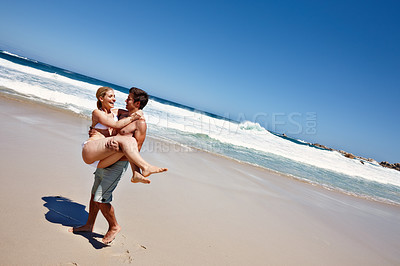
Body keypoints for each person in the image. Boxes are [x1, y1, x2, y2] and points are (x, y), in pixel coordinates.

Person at [71, 87, 157, 244]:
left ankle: (114, 226)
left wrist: (135, 171)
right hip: (106, 157)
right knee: (93, 195)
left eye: (129, 99)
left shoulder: (140, 124)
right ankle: (89, 225)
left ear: (137, 103)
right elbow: (106, 114)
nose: (125, 100)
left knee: (100, 198)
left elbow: (135, 150)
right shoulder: (121, 114)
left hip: (118, 163)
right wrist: (95, 130)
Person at [81, 87, 167, 178]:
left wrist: (140, 115)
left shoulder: (117, 113)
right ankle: (146, 167)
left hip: (102, 159)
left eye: (114, 96)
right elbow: (116, 125)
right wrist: (134, 117)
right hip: (90, 151)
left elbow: (135, 113)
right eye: (110, 96)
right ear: (101, 98)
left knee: (130, 142)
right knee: (125, 139)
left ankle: (137, 173)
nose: (114, 99)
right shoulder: (97, 112)